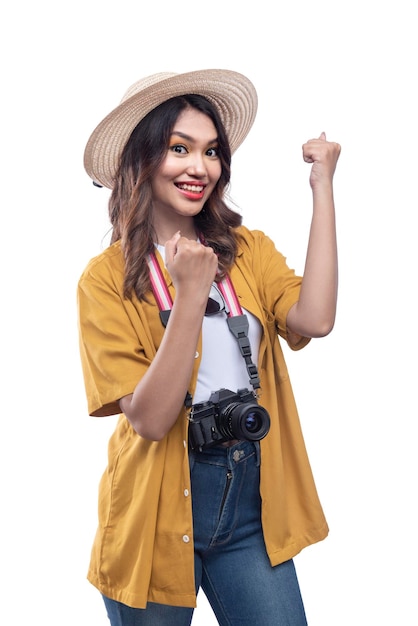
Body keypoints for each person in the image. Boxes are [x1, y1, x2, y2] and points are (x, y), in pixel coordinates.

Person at [77, 68, 341, 626]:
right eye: (179, 148)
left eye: (212, 151)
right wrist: (192, 293)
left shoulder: (246, 250)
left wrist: (323, 188)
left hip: (251, 500)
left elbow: (314, 319)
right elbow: (149, 420)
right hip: (153, 506)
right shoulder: (105, 281)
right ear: (141, 161)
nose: (200, 167)